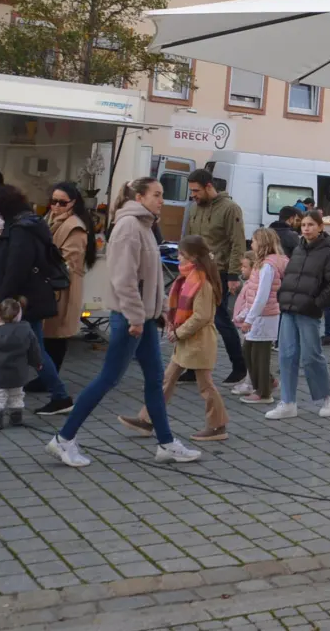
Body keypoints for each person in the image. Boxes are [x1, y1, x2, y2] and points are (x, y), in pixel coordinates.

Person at [48, 178, 200, 467]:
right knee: (108, 379)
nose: (162, 200)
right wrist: (135, 316)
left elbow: (147, 277)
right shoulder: (130, 227)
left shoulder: (143, 225)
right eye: (157, 194)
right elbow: (124, 279)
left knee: (155, 380)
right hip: (131, 319)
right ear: (139, 197)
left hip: (142, 317)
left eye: (162, 195)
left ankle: (166, 443)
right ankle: (64, 438)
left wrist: (158, 310)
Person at [0, 185, 72, 416]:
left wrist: (1, 299)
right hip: (27, 296)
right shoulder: (29, 224)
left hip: (22, 300)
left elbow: (16, 267)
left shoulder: (21, 229)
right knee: (13, 343)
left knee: (28, 347)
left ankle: (60, 396)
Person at [126, 235, 229, 443]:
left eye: (182, 254)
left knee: (205, 386)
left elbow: (202, 316)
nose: (178, 258)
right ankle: (147, 419)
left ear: (192, 256)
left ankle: (218, 425)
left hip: (199, 342)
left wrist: (178, 332)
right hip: (188, 341)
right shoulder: (188, 278)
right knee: (166, 380)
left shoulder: (202, 282)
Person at [269, 209, 330, 420]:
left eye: (311, 225)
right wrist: (283, 296)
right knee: (286, 355)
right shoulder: (299, 249)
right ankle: (288, 402)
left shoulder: (327, 252)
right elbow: (291, 276)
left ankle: (329, 396)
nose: (306, 228)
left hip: (308, 311)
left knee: (312, 356)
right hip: (289, 309)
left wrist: (317, 304)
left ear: (320, 227)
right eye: (303, 225)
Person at [185, 169, 247, 385]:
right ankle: (193, 367)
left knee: (220, 320)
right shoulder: (194, 208)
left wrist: (232, 275)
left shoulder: (230, 209)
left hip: (218, 272)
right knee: (195, 320)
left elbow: (238, 243)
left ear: (209, 186)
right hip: (196, 271)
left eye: (196, 190)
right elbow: (190, 238)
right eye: (191, 190)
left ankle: (240, 366)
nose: (193, 194)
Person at [44, 182, 97, 373]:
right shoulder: (50, 219)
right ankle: (47, 376)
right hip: (52, 284)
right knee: (49, 333)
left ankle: (50, 377)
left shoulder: (74, 226)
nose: (56, 206)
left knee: (57, 334)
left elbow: (69, 262)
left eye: (62, 202)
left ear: (73, 203)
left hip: (64, 286)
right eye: (53, 201)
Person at [234, 229, 287, 404]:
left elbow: (262, 295)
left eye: (255, 241)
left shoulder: (267, 266)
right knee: (250, 351)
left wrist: (249, 319)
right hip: (260, 315)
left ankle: (264, 392)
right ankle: (267, 383)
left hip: (265, 316)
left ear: (262, 243)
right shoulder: (263, 263)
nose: (252, 244)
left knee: (259, 355)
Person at [0, 298, 43, 429]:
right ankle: (16, 418)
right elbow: (34, 348)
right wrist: (37, 363)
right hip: (19, 372)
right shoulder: (26, 329)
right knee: (17, 394)